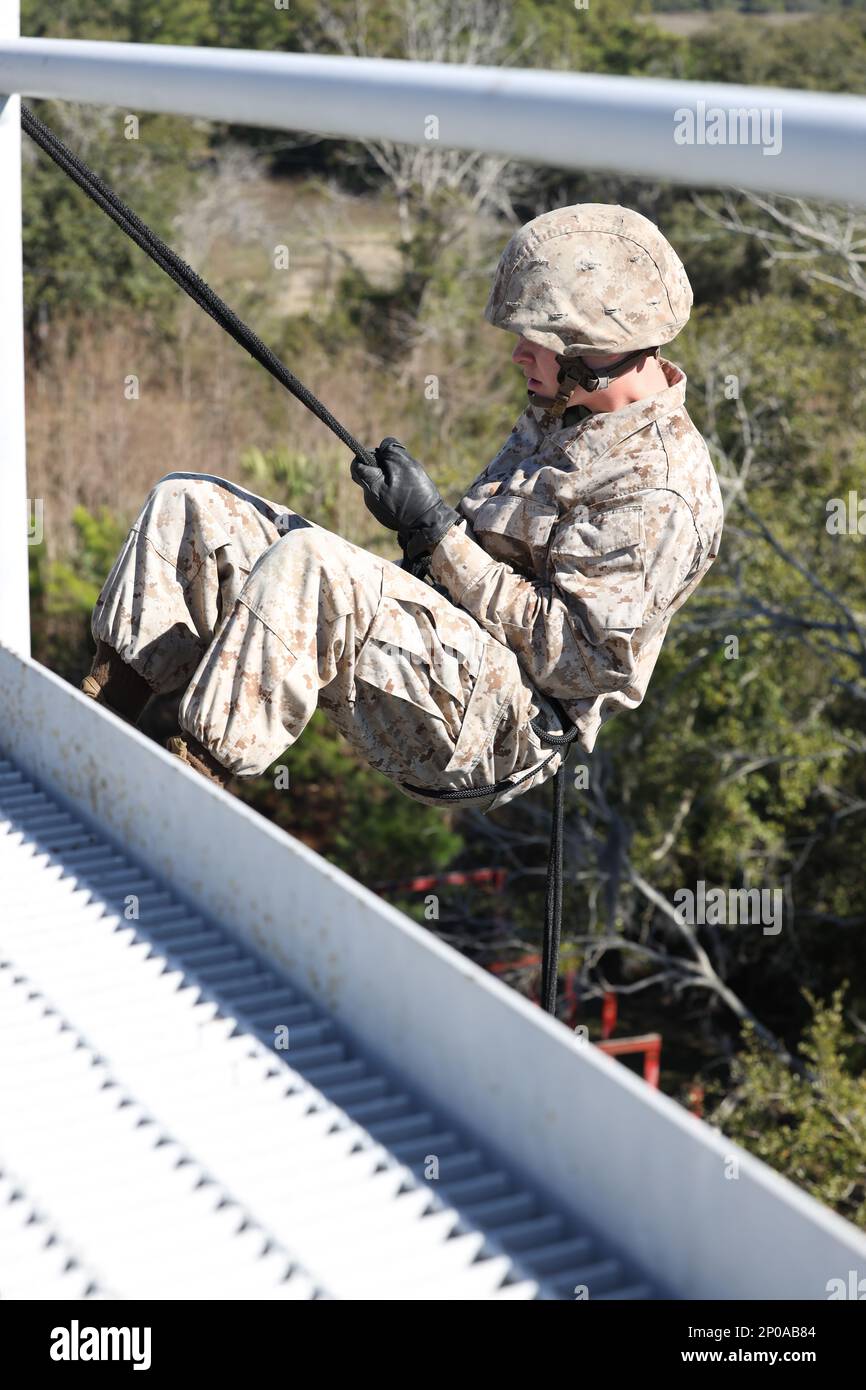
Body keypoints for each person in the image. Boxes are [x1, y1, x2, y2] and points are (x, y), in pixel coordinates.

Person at [82, 203, 724, 813]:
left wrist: (436, 533)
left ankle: (179, 800)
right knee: (190, 503)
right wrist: (423, 535)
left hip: (505, 729)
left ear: (596, 351)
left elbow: (575, 662)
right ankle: (92, 730)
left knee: (309, 566)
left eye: (537, 340)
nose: (518, 355)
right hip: (453, 657)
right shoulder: (569, 407)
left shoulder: (659, 493)